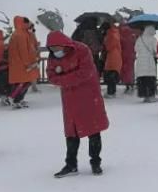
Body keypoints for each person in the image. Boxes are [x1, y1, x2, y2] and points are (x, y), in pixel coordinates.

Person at [46, 31, 110, 177]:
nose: (56, 52)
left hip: (89, 96)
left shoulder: (81, 50)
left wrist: (63, 79)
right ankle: (71, 164)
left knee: (93, 130)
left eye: (57, 48)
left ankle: (95, 163)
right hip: (70, 99)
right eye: (53, 49)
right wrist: (68, 79)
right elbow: (51, 76)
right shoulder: (53, 57)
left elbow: (86, 72)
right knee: (71, 133)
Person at [7, 16, 40, 107]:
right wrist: (28, 63)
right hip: (22, 64)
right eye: (26, 22)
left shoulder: (20, 33)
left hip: (18, 63)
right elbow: (24, 51)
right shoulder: (20, 35)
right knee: (23, 82)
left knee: (24, 82)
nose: (28, 24)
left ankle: (18, 99)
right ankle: (14, 99)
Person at [134, 25, 158, 102]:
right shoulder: (153, 39)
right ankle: (151, 96)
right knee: (150, 79)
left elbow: (136, 49)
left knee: (143, 79)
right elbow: (156, 49)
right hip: (149, 61)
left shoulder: (140, 38)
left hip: (140, 61)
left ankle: (145, 95)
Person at [102, 23, 122, 97]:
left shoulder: (110, 35)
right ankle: (112, 92)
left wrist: (105, 40)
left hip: (112, 56)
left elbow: (109, 46)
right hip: (117, 55)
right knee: (113, 74)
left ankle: (111, 92)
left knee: (110, 75)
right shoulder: (116, 33)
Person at [119, 23, 136, 94]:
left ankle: (127, 85)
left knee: (125, 70)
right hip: (131, 55)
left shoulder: (121, 36)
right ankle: (131, 84)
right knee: (130, 70)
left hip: (123, 55)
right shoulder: (132, 35)